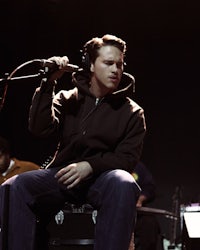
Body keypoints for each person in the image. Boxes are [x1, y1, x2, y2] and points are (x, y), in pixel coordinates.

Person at [0, 34, 146, 250]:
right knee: (14, 187)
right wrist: (48, 83)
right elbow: (39, 128)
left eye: (120, 64)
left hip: (103, 179)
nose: (116, 69)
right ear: (91, 65)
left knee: (123, 182)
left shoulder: (133, 112)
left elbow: (127, 159)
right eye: (108, 63)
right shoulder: (67, 98)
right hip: (63, 175)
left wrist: (90, 166)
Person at [129, 161, 162, 250]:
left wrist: (140, 199)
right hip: (114, 214)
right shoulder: (109, 164)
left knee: (150, 224)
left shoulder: (137, 166)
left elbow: (150, 187)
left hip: (137, 214)